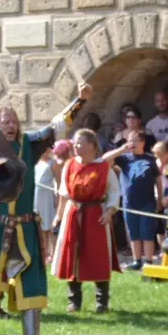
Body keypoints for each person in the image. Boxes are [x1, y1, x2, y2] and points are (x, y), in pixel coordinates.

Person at [0, 87, 91, 335]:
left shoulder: (30, 144)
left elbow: (58, 125)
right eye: (4, 120)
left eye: (13, 120)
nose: (10, 124)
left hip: (26, 228)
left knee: (31, 287)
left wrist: (80, 100)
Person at [51, 129, 121, 313]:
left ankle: (101, 302)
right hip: (73, 214)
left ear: (92, 145)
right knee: (73, 254)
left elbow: (114, 190)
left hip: (95, 215)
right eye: (74, 142)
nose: (75, 145)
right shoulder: (69, 165)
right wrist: (58, 216)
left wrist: (109, 211)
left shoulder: (103, 167)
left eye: (80, 142)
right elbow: (63, 193)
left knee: (98, 256)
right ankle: (74, 301)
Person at [103, 130, 164, 270]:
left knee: (147, 232)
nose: (131, 143)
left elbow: (158, 180)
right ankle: (137, 260)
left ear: (142, 142)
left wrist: (159, 199)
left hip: (147, 201)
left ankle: (148, 261)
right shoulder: (124, 158)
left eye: (134, 140)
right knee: (133, 232)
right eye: (129, 140)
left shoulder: (150, 159)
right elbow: (105, 159)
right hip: (129, 203)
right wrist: (121, 149)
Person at [35, 138, 70, 261]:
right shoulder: (36, 162)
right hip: (36, 198)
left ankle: (53, 253)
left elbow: (60, 181)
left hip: (47, 198)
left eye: (46, 149)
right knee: (40, 227)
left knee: (49, 227)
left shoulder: (52, 163)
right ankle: (42, 252)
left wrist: (57, 197)